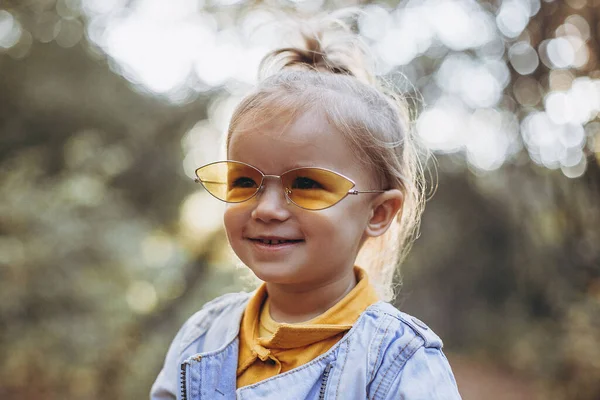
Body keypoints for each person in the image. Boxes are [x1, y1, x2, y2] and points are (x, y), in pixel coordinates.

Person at [150, 12, 462, 400]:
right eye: (245, 181)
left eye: (308, 184)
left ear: (378, 213)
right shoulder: (202, 335)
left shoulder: (398, 361)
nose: (266, 209)